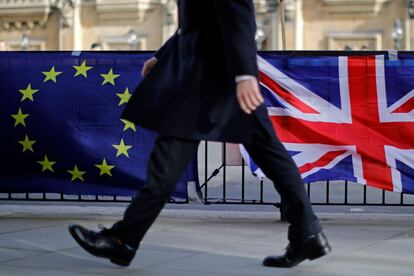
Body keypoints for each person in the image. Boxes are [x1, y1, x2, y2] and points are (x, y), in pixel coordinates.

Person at [68, 0, 331, 268]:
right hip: (213, 79)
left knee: (168, 164)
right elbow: (199, 23)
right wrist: (163, 55)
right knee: (272, 156)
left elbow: (237, 13)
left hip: (209, 82)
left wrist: (244, 75)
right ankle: (307, 234)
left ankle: (124, 240)